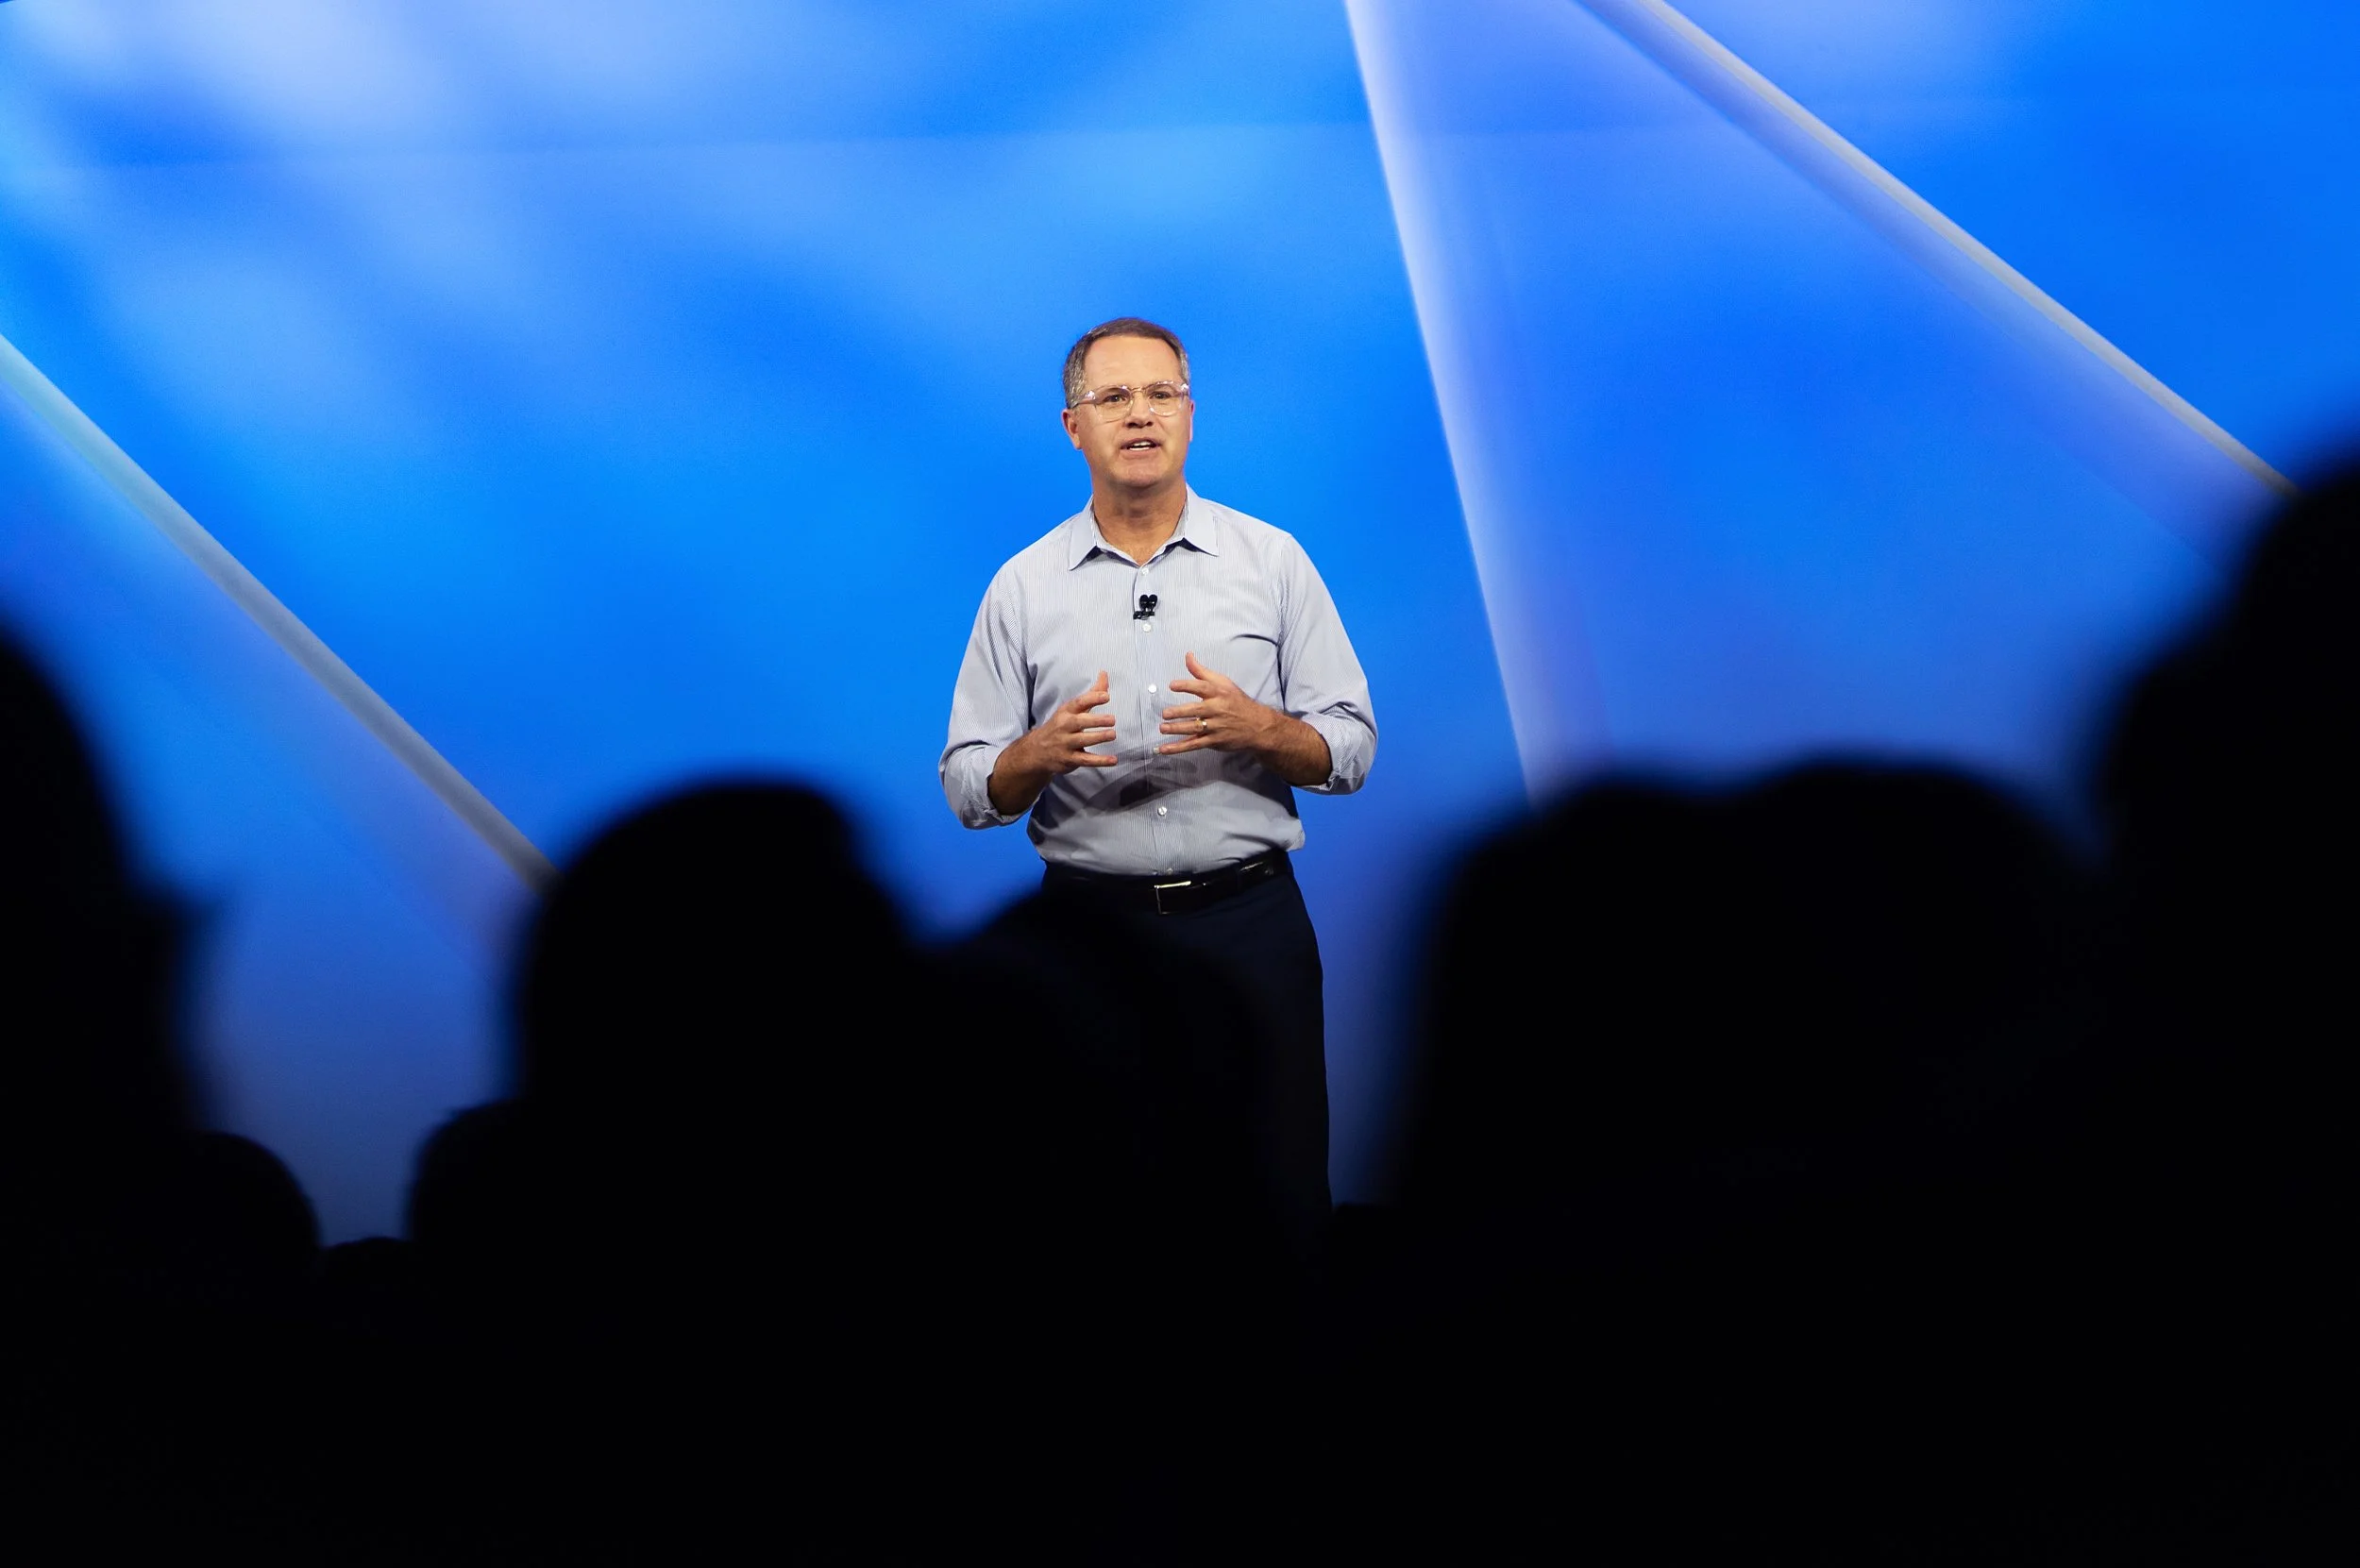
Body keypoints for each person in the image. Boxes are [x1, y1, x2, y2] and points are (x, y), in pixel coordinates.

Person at [941, 316, 1375, 1219]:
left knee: (1281, 1189)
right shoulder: (1022, 586)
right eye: (1113, 398)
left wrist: (1264, 729)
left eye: (1160, 394)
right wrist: (1032, 756)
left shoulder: (1272, 561)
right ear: (1074, 425)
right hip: (1086, 939)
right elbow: (968, 785)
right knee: (1102, 1205)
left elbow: (1351, 749)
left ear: (1189, 413)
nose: (1140, 415)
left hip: (1250, 920)